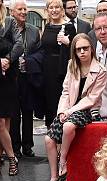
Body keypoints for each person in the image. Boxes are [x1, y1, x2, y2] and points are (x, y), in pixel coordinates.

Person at [44, 34, 106, 181]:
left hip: (87, 110)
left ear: (92, 49)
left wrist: (70, 111)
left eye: (86, 48)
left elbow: (92, 99)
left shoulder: (100, 70)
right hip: (69, 107)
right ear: (74, 51)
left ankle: (63, 161)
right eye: (79, 49)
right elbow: (65, 91)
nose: (83, 52)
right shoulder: (72, 65)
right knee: (48, 139)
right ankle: (54, 177)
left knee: (68, 126)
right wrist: (62, 111)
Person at [0, 0, 23, 176]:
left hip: (8, 77)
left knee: (3, 121)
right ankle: (11, 157)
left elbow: (19, 44)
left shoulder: (9, 21)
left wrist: (7, 59)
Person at [37, 0, 76, 130]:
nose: (54, 10)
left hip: (62, 70)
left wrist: (68, 42)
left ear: (62, 9)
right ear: (47, 10)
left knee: (60, 103)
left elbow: (77, 48)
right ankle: (51, 135)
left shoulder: (69, 26)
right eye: (51, 7)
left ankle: (61, 137)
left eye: (57, 7)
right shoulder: (47, 26)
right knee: (49, 103)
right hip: (47, 70)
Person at [9, 0, 40, 158]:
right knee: (14, 113)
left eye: (25, 9)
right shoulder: (6, 29)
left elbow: (39, 52)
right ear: (12, 12)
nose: (23, 11)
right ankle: (15, 147)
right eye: (19, 9)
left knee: (28, 112)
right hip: (12, 76)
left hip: (28, 76)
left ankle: (28, 146)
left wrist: (29, 61)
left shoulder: (34, 31)